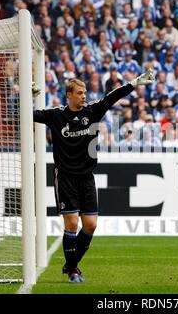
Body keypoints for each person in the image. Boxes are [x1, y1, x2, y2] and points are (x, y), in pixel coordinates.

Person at [32, 69, 155, 283]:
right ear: (68, 94)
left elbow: (112, 97)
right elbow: (25, 115)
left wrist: (134, 83)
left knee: (90, 225)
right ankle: (72, 271)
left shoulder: (92, 112)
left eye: (84, 92)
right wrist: (28, 97)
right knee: (71, 222)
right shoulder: (55, 115)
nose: (83, 96)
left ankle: (70, 264)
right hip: (66, 178)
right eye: (79, 93)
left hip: (87, 177)